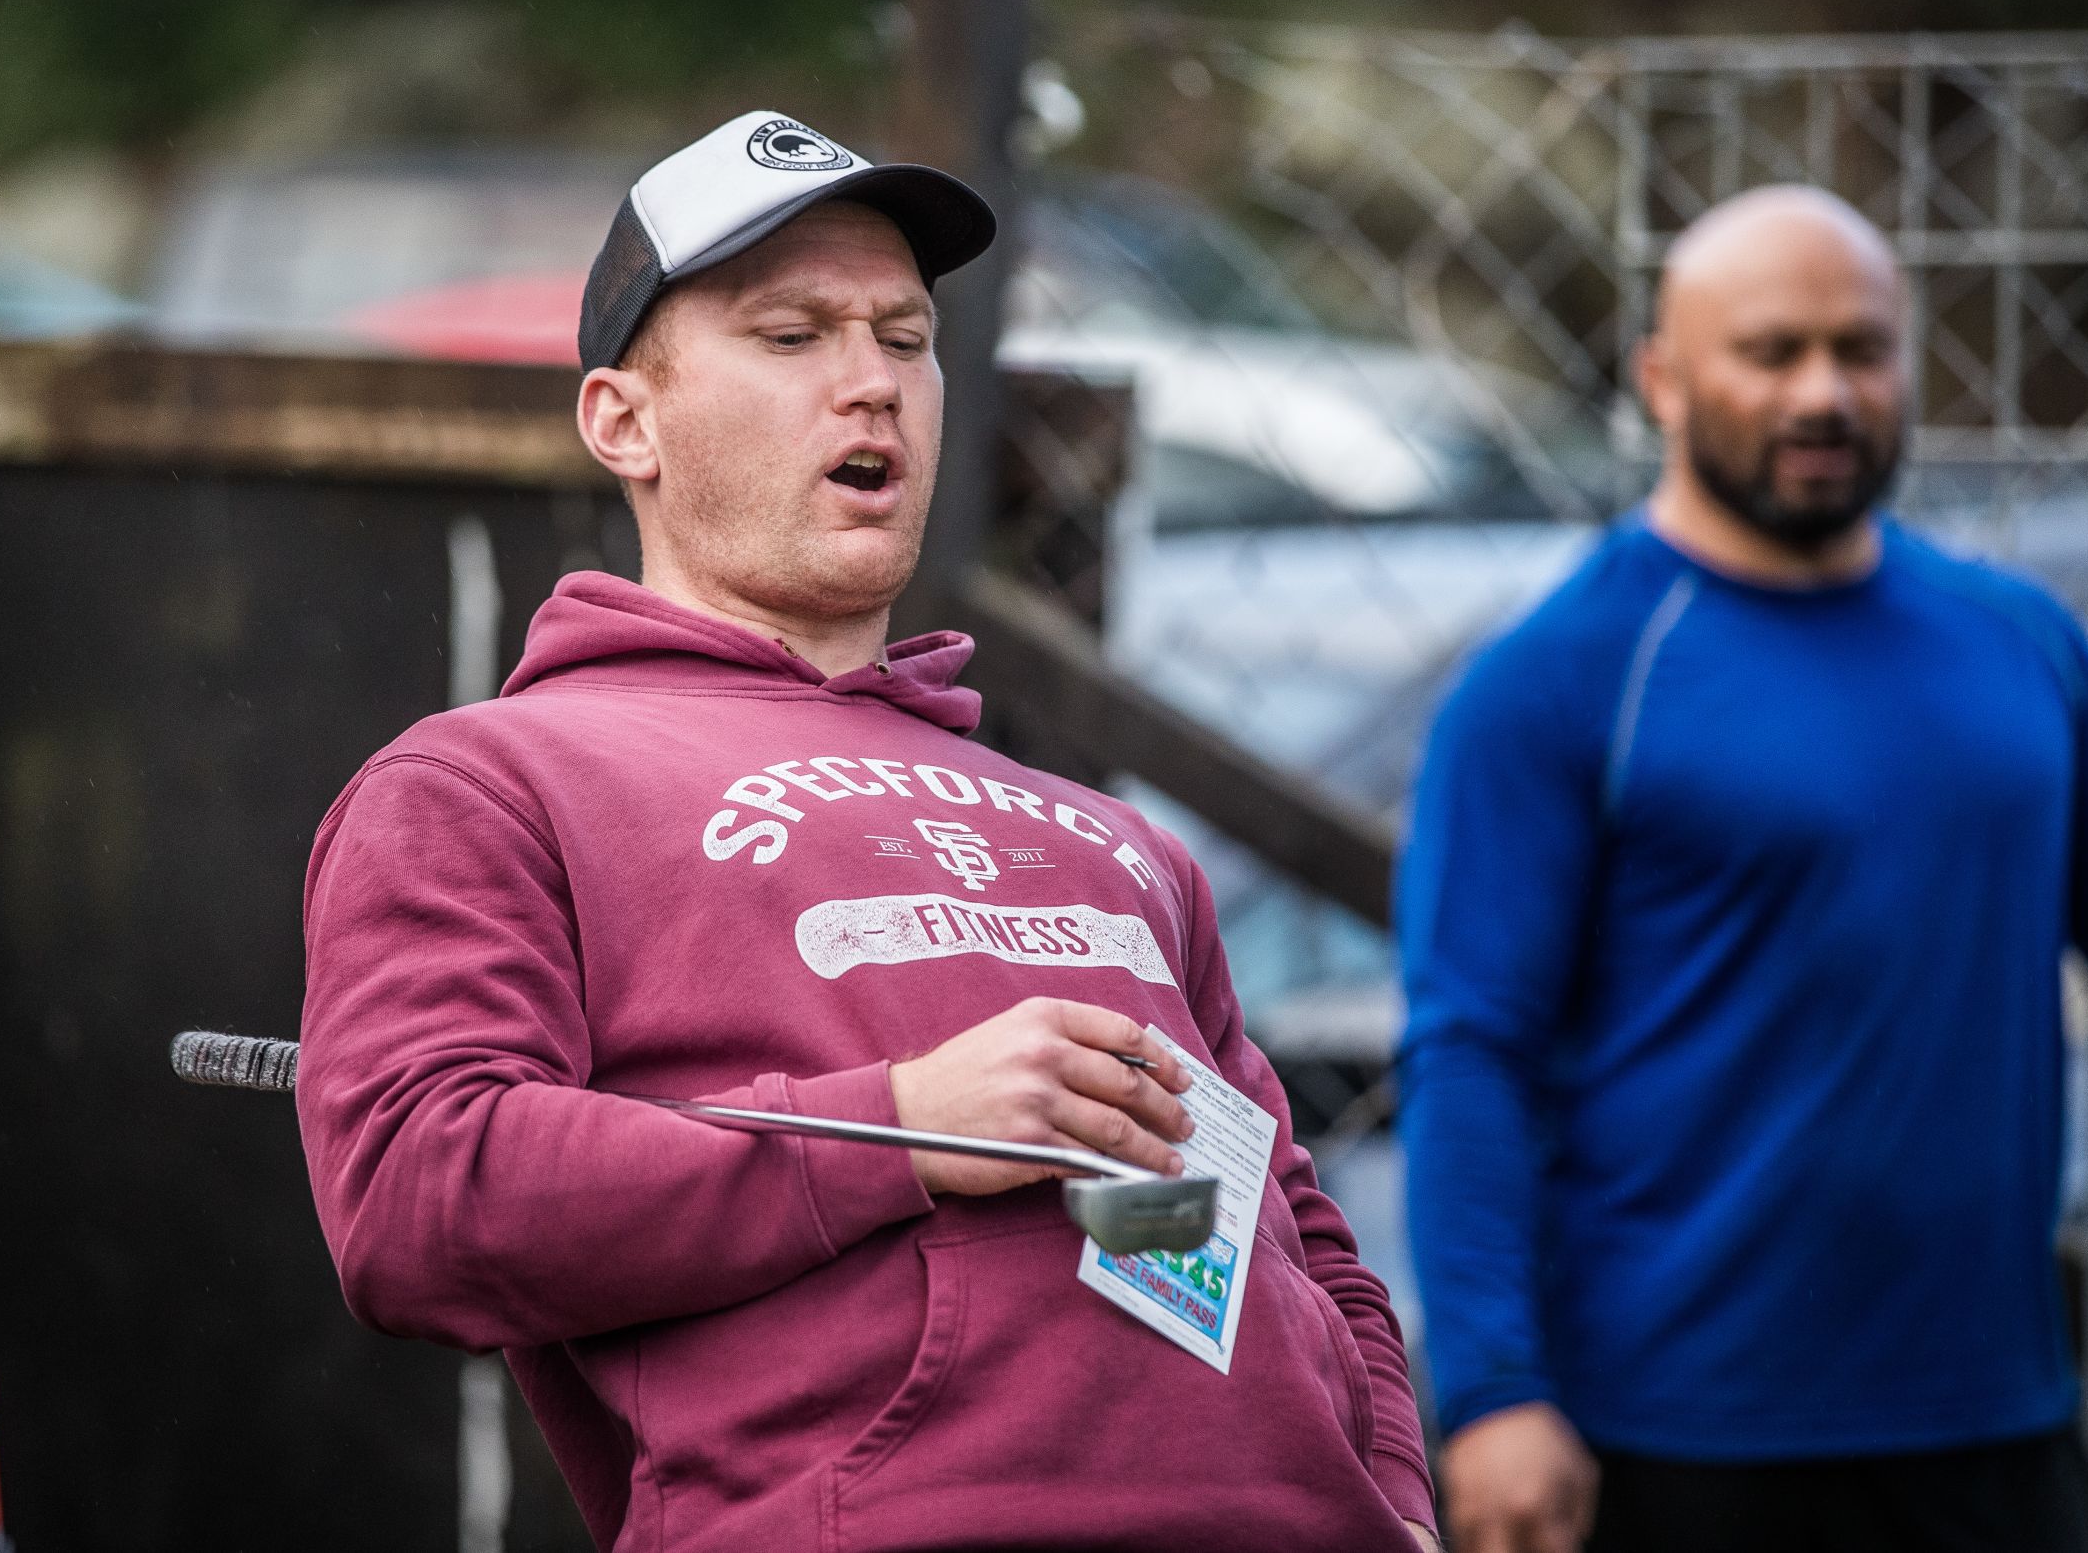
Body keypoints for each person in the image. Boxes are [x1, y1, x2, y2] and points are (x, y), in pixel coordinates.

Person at [296, 111, 1439, 1553]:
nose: (872, 382)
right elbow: (416, 1200)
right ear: (623, 422)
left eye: (906, 339)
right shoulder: (488, 782)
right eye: (792, 337)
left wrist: (1395, 1501)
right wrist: (902, 1125)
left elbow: (1286, 1219)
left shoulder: (1107, 838)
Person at [1398, 184, 2088, 1553]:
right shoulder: (1560, 680)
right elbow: (1472, 1051)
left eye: (1862, 350)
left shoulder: (2029, 648)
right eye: (1771, 352)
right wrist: (1494, 1391)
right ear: (1663, 380)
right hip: (1669, 1442)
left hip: (1998, 1430)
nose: (1823, 394)